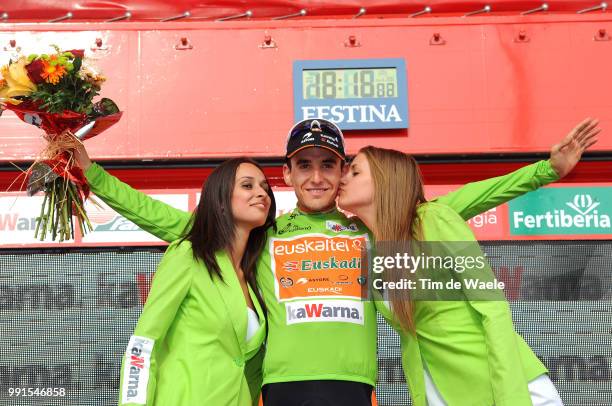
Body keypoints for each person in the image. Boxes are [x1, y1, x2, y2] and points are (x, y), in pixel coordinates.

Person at [75, 118, 588, 405]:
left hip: (355, 387)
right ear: (288, 173)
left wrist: (544, 171)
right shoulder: (261, 235)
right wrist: (94, 176)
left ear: (343, 172)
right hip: (279, 390)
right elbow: (174, 222)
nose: (317, 176)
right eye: (304, 165)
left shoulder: (375, 235)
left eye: (329, 165)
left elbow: (455, 204)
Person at [335, 119, 599, 406]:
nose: (342, 178)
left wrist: (549, 169)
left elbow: (493, 308)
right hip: (443, 393)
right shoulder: (367, 248)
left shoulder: (431, 219)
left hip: (506, 388)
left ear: (387, 181)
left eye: (355, 171)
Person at [118, 158, 276, 405]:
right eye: (248, 185)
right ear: (220, 201)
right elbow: (144, 343)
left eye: (264, 187)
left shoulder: (255, 275)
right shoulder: (188, 254)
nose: (261, 193)